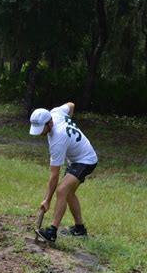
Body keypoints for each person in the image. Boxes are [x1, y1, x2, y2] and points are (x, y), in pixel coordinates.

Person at [29, 102, 98, 242]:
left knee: (62, 190)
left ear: (49, 124)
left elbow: (54, 176)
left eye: (41, 129)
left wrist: (47, 200)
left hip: (86, 160)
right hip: (77, 159)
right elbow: (71, 105)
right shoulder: (56, 112)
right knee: (68, 192)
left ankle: (52, 232)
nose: (40, 132)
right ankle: (80, 229)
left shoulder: (57, 140)